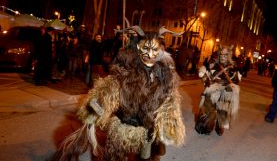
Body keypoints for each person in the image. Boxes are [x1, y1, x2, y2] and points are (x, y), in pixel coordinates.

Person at [55, 25, 185, 161]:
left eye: (154, 50)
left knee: (146, 157)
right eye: (146, 48)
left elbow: (170, 100)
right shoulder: (126, 71)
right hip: (122, 126)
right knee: (114, 157)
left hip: (147, 130)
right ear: (138, 49)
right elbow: (110, 86)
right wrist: (98, 104)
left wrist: (169, 123)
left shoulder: (165, 76)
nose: (150, 54)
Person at [195, 45, 241, 136]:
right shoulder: (213, 64)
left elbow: (236, 80)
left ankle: (220, 126)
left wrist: (233, 87)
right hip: (212, 88)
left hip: (226, 90)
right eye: (222, 54)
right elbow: (203, 71)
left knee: (223, 110)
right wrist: (204, 79)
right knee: (207, 109)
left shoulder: (232, 68)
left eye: (225, 55)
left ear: (229, 55)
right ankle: (205, 127)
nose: (223, 56)